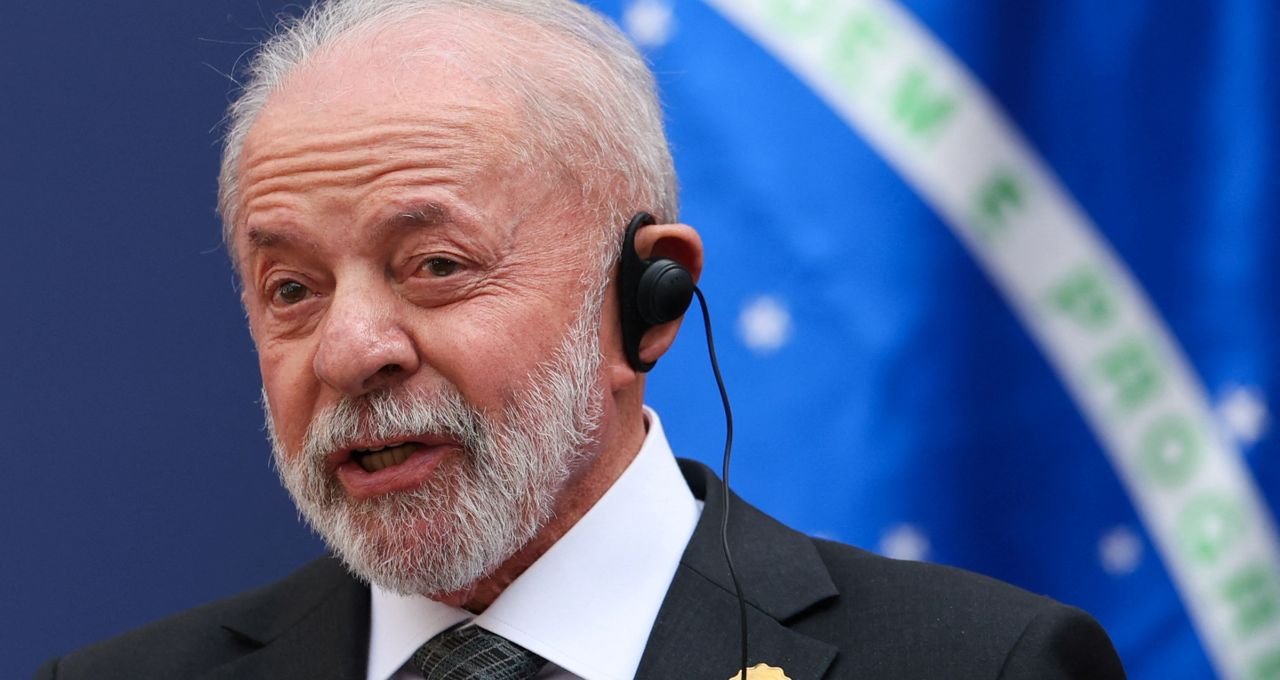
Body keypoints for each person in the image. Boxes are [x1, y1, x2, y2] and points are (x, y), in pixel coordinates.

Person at [37, 1, 1126, 678]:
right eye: (291, 288)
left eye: (435, 265)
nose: (349, 350)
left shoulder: (983, 665)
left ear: (648, 299)